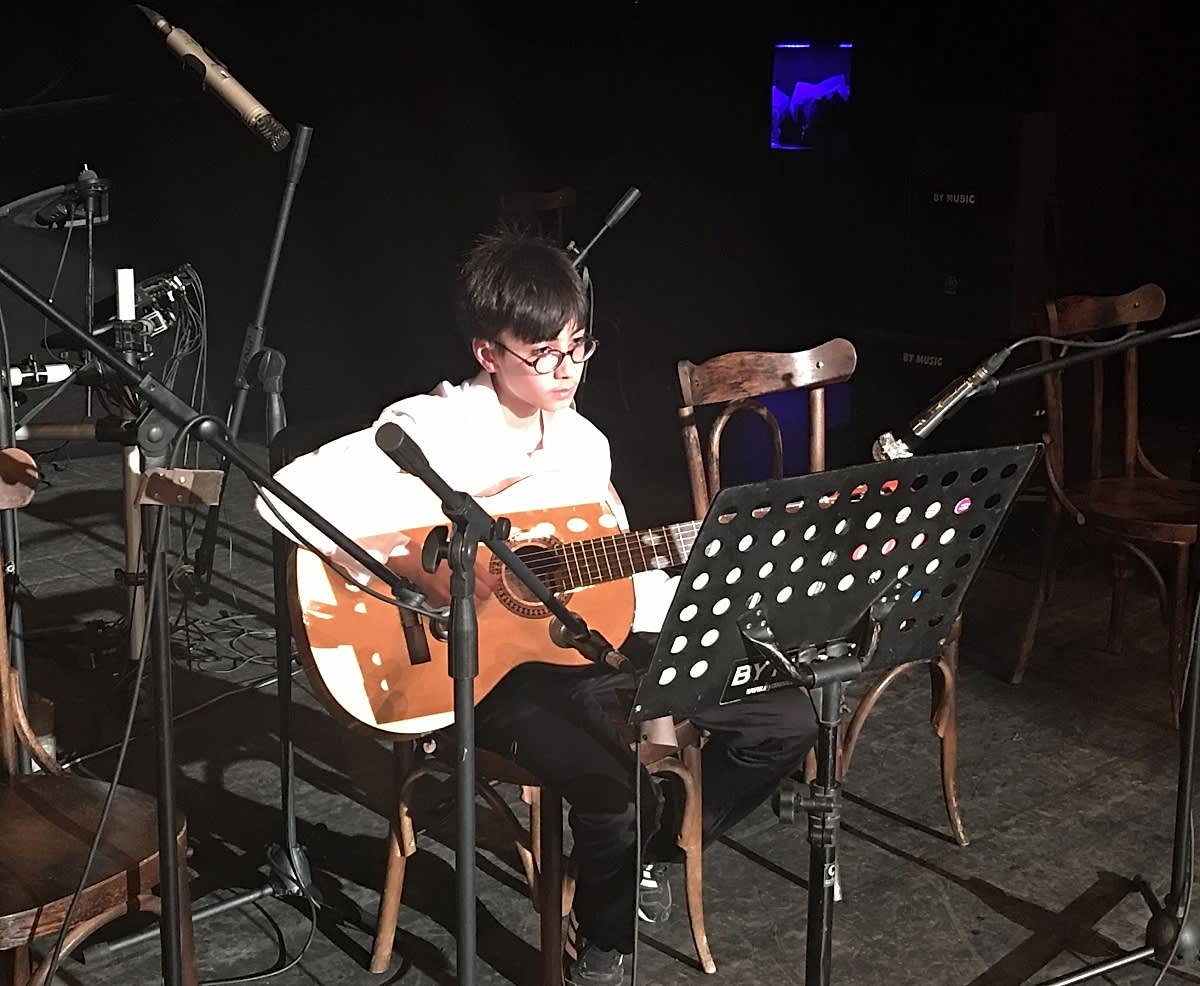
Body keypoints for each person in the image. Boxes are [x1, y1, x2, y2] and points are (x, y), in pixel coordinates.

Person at [257, 227, 816, 985]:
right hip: (479, 671)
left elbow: (607, 573)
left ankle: (644, 856)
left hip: (578, 643)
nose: (567, 369)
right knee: (614, 792)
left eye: (578, 347)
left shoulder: (584, 442)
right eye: (544, 353)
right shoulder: (432, 426)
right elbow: (283, 496)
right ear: (488, 353)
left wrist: (710, 582)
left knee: (786, 715)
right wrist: (410, 569)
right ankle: (606, 944)